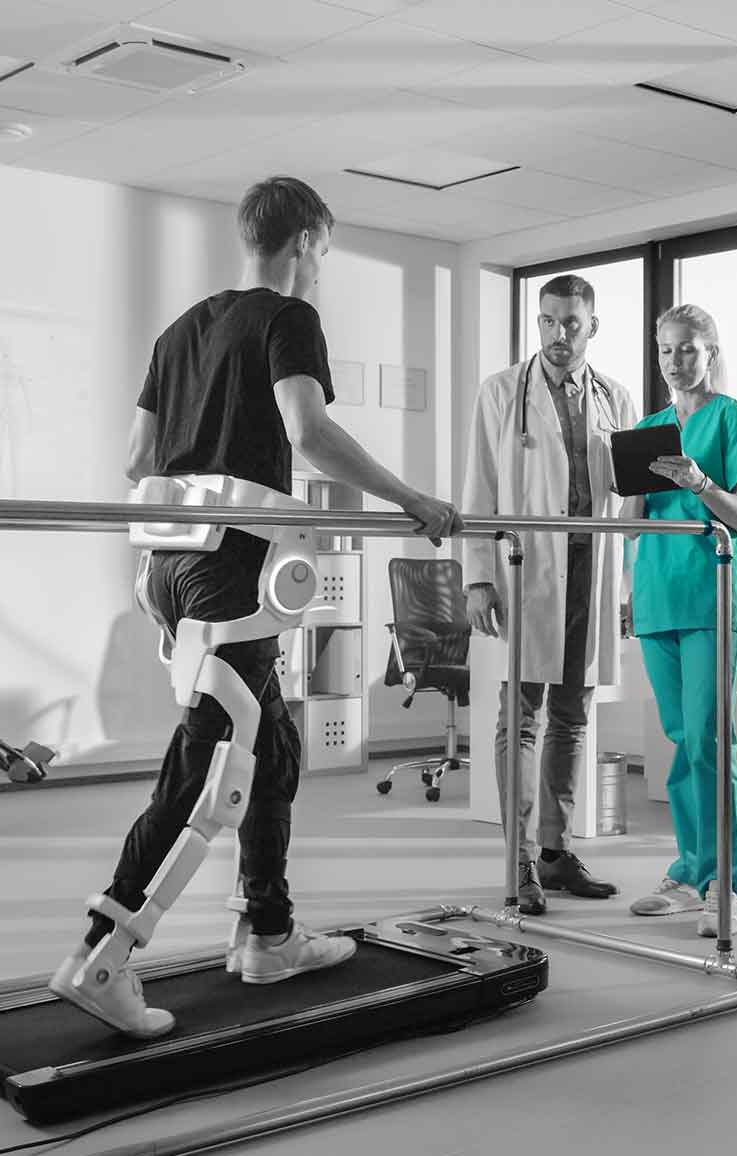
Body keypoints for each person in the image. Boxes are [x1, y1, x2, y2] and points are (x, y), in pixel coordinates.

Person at [50, 176, 462, 1037]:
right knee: (210, 769)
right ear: (309, 240)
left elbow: (137, 457)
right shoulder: (289, 318)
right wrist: (411, 500)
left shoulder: (181, 329)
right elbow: (307, 431)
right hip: (232, 572)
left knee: (271, 743)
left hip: (171, 568)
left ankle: (267, 932)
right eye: (325, 249)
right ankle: (102, 951)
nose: (323, 264)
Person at [462, 274, 637, 915]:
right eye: (547, 321)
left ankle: (558, 852)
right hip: (527, 572)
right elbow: (478, 487)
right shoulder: (503, 392)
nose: (558, 335)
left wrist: (625, 584)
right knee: (522, 717)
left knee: (572, 716)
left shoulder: (615, 397)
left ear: (593, 327)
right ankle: (521, 861)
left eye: (571, 323)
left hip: (591, 572)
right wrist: (478, 575)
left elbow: (632, 496)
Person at [623, 303, 737, 937]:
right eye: (665, 351)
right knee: (684, 741)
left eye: (687, 349)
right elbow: (630, 527)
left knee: (711, 739)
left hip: (713, 598)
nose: (675, 362)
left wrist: (700, 481)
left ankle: (724, 886)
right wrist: (624, 480)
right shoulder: (649, 427)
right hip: (658, 599)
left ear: (710, 351)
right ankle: (687, 872)